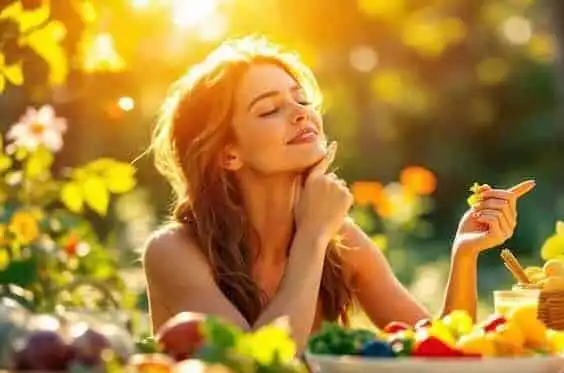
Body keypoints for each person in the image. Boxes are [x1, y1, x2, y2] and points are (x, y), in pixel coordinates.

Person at [141, 36, 535, 348]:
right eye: (269, 109)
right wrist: (313, 236)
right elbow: (256, 368)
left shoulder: (341, 239)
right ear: (228, 154)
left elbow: (441, 351)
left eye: (301, 99)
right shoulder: (174, 252)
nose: (301, 112)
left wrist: (464, 255)